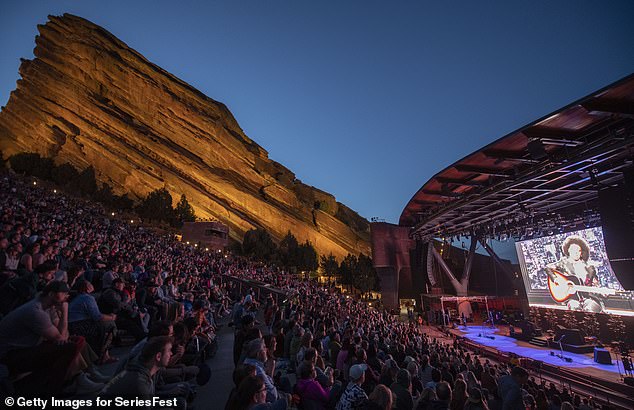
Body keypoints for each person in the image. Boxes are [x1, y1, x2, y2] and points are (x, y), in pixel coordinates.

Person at [0, 281, 86, 395]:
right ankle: (51, 390)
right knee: (68, 347)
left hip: (23, 349)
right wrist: (65, 312)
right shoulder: (35, 311)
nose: (67, 296)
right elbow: (62, 339)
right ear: (51, 294)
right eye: (64, 293)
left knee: (75, 341)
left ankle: (74, 380)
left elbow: (62, 335)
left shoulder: (47, 307)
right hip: (9, 355)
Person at [100, 336, 175, 399]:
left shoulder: (143, 371)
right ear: (158, 356)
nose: (171, 353)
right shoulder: (140, 384)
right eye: (169, 351)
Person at [545, 235, 604, 312]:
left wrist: (602, 292)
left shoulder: (590, 268)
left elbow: (596, 284)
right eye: (573, 250)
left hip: (588, 298)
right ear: (568, 250)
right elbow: (548, 268)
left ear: (581, 252)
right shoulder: (563, 263)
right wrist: (556, 280)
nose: (576, 253)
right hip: (571, 298)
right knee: (574, 308)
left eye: (578, 250)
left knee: (591, 309)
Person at [68, 279, 118, 363]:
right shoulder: (87, 298)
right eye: (90, 284)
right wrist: (112, 317)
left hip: (74, 325)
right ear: (86, 288)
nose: (92, 285)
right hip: (80, 326)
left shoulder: (78, 297)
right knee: (111, 325)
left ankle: (104, 355)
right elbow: (97, 317)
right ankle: (102, 356)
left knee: (106, 324)